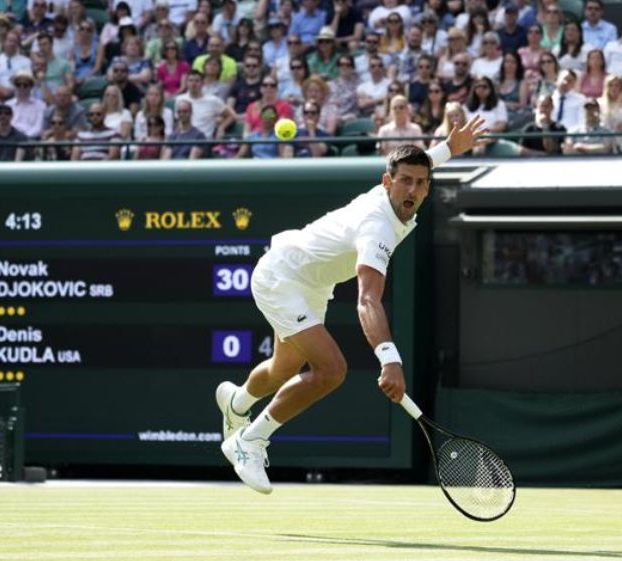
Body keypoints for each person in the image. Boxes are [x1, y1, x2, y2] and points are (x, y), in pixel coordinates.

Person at [215, 116, 488, 495]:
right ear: (387, 183)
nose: (412, 188)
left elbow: (417, 164)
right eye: (405, 181)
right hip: (281, 277)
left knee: (285, 366)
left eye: (421, 182)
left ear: (427, 187)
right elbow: (367, 299)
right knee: (331, 369)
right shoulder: (377, 226)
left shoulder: (401, 192)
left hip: (310, 282)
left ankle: (236, 401)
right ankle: (250, 440)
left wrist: (447, 150)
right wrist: (390, 359)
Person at [176, 70, 236, 139]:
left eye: (197, 81)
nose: (193, 83)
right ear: (186, 83)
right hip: (183, 140)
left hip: (203, 141)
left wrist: (221, 127)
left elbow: (232, 116)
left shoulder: (213, 100)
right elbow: (178, 122)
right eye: (190, 80)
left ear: (202, 83)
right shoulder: (179, 99)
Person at [497, 51, 532, 129]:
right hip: (497, 115)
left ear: (518, 65)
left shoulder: (522, 83)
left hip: (515, 116)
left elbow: (523, 105)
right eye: (507, 61)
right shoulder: (497, 82)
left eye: (513, 62)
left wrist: (505, 105)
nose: (509, 65)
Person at [6, 70, 46, 138]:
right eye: (18, 85)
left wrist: (24, 137)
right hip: (10, 139)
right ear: (15, 86)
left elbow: (38, 127)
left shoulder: (40, 105)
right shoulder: (7, 105)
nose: (22, 87)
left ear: (31, 87)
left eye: (25, 85)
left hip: (31, 141)